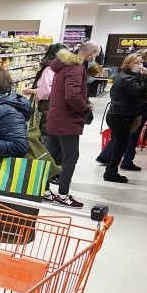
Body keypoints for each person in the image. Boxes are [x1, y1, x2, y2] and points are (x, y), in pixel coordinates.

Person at [44, 42, 101, 208]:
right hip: (67, 120)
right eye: (94, 55)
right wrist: (84, 107)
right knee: (70, 158)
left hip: (55, 117)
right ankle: (63, 194)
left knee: (51, 157)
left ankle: (44, 189)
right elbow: (72, 96)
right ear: (90, 54)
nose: (94, 58)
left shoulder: (63, 65)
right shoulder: (76, 68)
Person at [103, 52, 147, 184]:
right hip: (121, 116)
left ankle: (110, 171)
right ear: (128, 63)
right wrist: (146, 77)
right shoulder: (128, 79)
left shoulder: (127, 76)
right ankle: (111, 173)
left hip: (119, 114)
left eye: (141, 62)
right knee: (119, 146)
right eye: (136, 62)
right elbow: (141, 92)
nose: (139, 65)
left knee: (117, 145)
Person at [25, 44, 65, 169]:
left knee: (43, 142)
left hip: (47, 108)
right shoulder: (64, 69)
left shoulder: (49, 69)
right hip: (58, 108)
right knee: (54, 142)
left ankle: (44, 171)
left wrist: (30, 91)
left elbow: (45, 92)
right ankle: (53, 169)